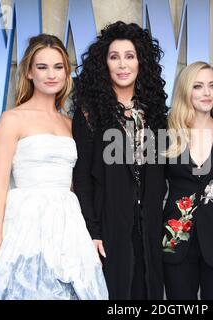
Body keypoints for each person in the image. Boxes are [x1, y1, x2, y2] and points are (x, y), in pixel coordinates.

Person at [0, 34, 108, 300]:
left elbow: (77, 182)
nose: (51, 74)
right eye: (42, 67)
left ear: (66, 71)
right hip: (25, 220)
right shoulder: (12, 119)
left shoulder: (70, 123)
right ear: (29, 72)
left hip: (67, 222)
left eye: (58, 67)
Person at [72, 21, 167, 299]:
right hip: (109, 224)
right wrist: (92, 230)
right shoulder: (89, 113)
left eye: (130, 56)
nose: (123, 65)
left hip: (149, 224)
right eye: (114, 57)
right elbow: (82, 178)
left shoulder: (154, 112)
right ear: (105, 64)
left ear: (141, 62)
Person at [162, 62, 213, 300]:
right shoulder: (165, 134)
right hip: (176, 238)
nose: (207, 93)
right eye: (198, 86)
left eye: (212, 86)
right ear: (186, 91)